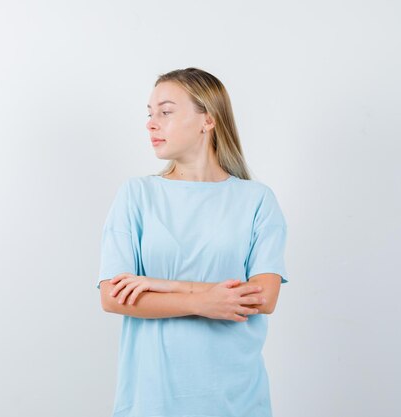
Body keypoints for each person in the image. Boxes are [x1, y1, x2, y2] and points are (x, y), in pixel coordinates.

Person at [96, 67, 289, 417]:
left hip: (236, 400)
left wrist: (162, 285)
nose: (151, 124)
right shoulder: (137, 195)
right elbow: (113, 297)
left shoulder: (257, 199)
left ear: (208, 120)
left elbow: (263, 297)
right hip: (153, 401)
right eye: (150, 114)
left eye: (166, 112)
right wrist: (204, 301)